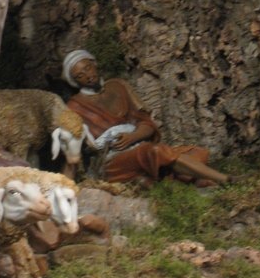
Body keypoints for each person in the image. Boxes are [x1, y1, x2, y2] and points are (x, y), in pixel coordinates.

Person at [62, 50, 235, 187]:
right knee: (154, 152)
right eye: (80, 76)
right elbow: (79, 148)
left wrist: (133, 137)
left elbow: (146, 124)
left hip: (138, 145)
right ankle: (225, 179)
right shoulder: (74, 106)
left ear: (94, 64)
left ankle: (168, 180)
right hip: (113, 161)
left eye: (87, 68)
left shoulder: (118, 86)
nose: (87, 75)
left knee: (195, 152)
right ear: (75, 81)